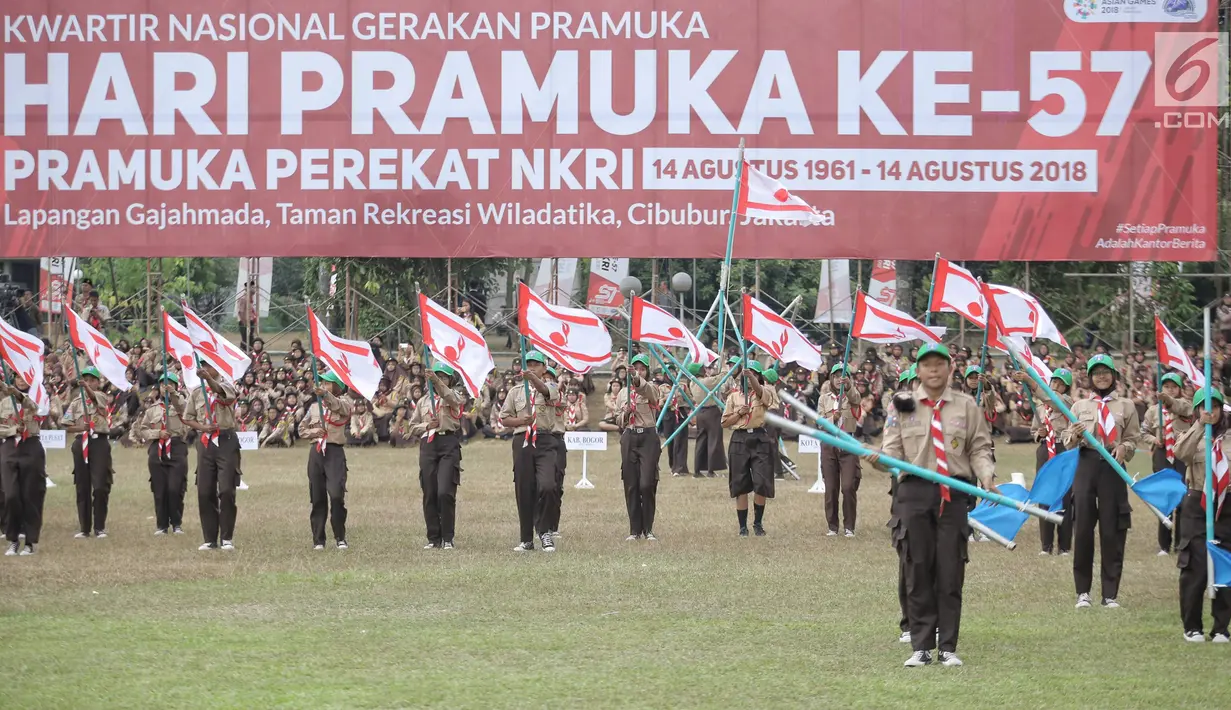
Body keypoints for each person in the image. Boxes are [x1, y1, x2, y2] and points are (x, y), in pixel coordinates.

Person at [865, 343, 997, 668]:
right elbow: (893, 451)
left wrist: (988, 477)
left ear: (950, 368)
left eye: (940, 364)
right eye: (927, 365)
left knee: (950, 570)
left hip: (953, 493)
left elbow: (980, 448)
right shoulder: (902, 406)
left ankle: (948, 646)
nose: (934, 371)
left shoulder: (967, 407)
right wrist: (878, 460)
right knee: (917, 567)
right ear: (919, 371)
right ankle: (921, 646)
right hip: (914, 494)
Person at [1062, 353, 1142, 610]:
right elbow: (1067, 442)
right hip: (1086, 465)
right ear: (1090, 377)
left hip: (1113, 469)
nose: (1101, 376)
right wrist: (1073, 436)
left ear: (1114, 375)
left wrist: (1124, 448)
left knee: (1112, 531)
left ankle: (1110, 594)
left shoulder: (1126, 406)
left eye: (1105, 371)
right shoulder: (1079, 406)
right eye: (1096, 372)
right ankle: (1082, 592)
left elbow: (1133, 439)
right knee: (1083, 530)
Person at [1171, 388, 1231, 643]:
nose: (1210, 411)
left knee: (1225, 565)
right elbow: (1180, 453)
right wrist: (1199, 427)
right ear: (1196, 411)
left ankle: (1221, 627)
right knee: (1194, 565)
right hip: (1197, 502)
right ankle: (1192, 626)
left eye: (1214, 407)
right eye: (1204, 407)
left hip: (1227, 504)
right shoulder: (1193, 434)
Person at [500, 351, 561, 552]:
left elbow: (544, 389)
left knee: (548, 485)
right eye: (530, 364)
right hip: (522, 440)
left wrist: (532, 378)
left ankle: (544, 532)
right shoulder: (515, 391)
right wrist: (520, 421)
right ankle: (526, 539)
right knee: (524, 490)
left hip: (545, 439)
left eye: (536, 364)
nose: (532, 367)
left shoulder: (550, 386)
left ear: (544, 368)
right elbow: (504, 418)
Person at [1016, 368, 1076, 556]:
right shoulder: (1041, 408)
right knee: (1044, 495)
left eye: (1061, 384)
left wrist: (1031, 382)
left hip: (1062, 449)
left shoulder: (1067, 402)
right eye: (1054, 382)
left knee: (1064, 495)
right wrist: (1038, 434)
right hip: (1045, 449)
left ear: (1066, 388)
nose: (1056, 386)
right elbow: (1035, 429)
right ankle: (1046, 545)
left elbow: (1054, 401)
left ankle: (1064, 545)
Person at [183, 362, 242, 551]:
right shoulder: (196, 392)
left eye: (209, 366)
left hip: (226, 440)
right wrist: (202, 428)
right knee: (204, 490)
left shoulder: (226, 384)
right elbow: (188, 417)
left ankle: (226, 538)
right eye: (204, 366)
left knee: (226, 490)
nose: (206, 369)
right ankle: (209, 538)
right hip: (206, 442)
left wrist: (208, 379)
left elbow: (224, 396)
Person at [409, 363, 465, 550]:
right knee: (430, 492)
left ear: (450, 380)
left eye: (444, 377)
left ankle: (448, 536)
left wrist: (436, 381)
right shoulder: (423, 401)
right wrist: (426, 426)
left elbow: (450, 398)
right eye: (436, 376)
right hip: (428, 445)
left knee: (445, 492)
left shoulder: (453, 396)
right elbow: (411, 427)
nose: (439, 380)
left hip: (448, 443)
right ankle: (434, 538)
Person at [297, 371, 353, 550]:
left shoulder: (345, 402)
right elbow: (301, 429)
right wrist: (314, 432)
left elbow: (342, 409)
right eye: (322, 384)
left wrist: (326, 395)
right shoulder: (314, 407)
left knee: (336, 495)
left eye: (328, 384)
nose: (324, 386)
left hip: (334, 452)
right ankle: (318, 539)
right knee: (317, 497)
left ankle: (340, 537)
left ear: (337, 386)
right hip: (316, 452)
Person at [721, 360, 776, 537]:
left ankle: (758, 524)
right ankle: (742, 527)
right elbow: (724, 422)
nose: (748, 377)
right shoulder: (733, 397)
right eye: (746, 373)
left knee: (762, 483)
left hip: (759, 438)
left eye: (754, 373)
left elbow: (761, 393)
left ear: (759, 376)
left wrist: (750, 376)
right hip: (739, 439)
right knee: (740, 484)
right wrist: (739, 413)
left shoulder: (764, 392)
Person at [1141, 372, 1194, 555]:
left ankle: (1181, 543)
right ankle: (1164, 544)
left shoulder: (1185, 405)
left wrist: (1169, 401)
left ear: (1179, 389)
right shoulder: (1153, 410)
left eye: (1174, 387)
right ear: (1161, 388)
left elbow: (1184, 410)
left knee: (1182, 500)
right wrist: (1153, 440)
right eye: (1166, 387)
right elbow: (1144, 431)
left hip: (1181, 455)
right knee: (1165, 500)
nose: (1170, 390)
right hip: (1162, 455)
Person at [134, 373, 189, 536]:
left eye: (170, 384)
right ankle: (161, 525)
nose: (166, 387)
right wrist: (157, 433)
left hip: (176, 447)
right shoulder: (152, 410)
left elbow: (184, 410)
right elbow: (142, 430)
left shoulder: (181, 404)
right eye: (163, 384)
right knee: (160, 489)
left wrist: (173, 394)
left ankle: (176, 523)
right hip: (157, 449)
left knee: (175, 487)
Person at [62, 367, 115, 539]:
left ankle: (99, 527)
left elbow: (93, 397)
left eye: (92, 380)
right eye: (86, 379)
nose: (89, 382)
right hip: (81, 443)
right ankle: (84, 528)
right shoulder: (76, 403)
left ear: (97, 382)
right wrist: (80, 428)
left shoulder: (100, 396)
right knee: (82, 486)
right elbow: (66, 424)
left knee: (100, 486)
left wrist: (87, 388)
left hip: (99, 442)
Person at [0, 374, 47, 555]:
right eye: (18, 377)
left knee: (31, 495)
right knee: (10, 494)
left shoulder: (39, 395)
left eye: (25, 377)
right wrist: (13, 429)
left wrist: (19, 396)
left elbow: (36, 409)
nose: (21, 381)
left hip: (31, 446)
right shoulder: (4, 402)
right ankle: (12, 539)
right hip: (10, 446)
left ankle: (29, 541)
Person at [617, 354, 662, 541]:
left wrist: (636, 377)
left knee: (647, 483)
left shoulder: (652, 388)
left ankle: (648, 528)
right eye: (635, 368)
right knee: (631, 485)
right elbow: (619, 421)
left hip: (648, 437)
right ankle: (635, 530)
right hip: (630, 436)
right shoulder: (622, 393)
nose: (639, 371)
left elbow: (650, 394)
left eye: (642, 368)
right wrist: (625, 414)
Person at [819, 363, 862, 537]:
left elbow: (857, 400)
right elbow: (820, 422)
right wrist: (832, 418)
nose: (839, 379)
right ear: (831, 379)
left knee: (848, 486)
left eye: (842, 376)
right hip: (829, 445)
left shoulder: (852, 396)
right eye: (836, 376)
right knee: (831, 488)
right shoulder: (824, 398)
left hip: (847, 444)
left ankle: (849, 526)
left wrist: (849, 386)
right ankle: (832, 526)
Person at [691, 360, 728, 479]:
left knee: (701, 441)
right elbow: (721, 378)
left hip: (700, 413)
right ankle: (711, 470)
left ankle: (697, 470)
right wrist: (723, 367)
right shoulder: (705, 382)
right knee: (714, 440)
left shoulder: (692, 383)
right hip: (711, 412)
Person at [238, 280, 259, 352]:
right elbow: (241, 312)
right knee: (246, 340)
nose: (254, 289)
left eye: (254, 287)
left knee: (251, 339)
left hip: (251, 321)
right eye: (252, 287)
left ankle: (250, 354)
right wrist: (246, 324)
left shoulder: (251, 299)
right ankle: (243, 353)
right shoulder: (243, 299)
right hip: (245, 322)